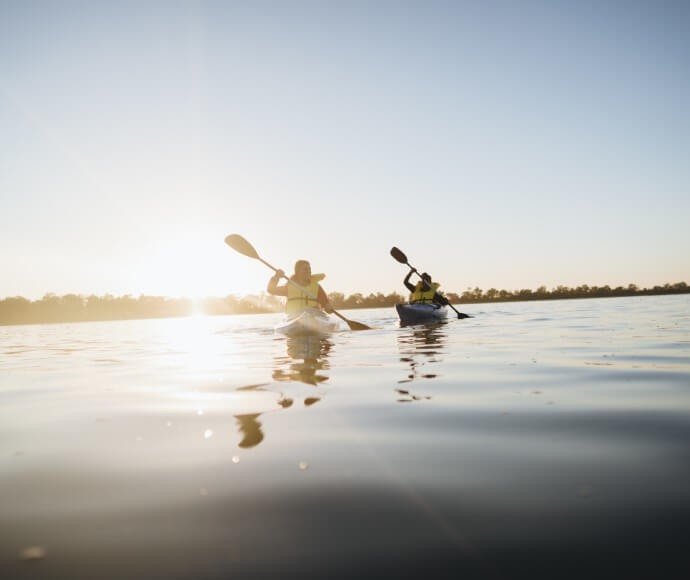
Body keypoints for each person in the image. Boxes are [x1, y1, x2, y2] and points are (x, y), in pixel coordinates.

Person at [267, 260, 333, 314]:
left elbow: (326, 304)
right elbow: (271, 290)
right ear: (297, 272)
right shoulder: (289, 287)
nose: (309, 271)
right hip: (293, 317)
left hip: (314, 316)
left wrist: (328, 308)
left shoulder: (316, 287)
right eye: (305, 269)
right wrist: (276, 277)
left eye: (309, 269)